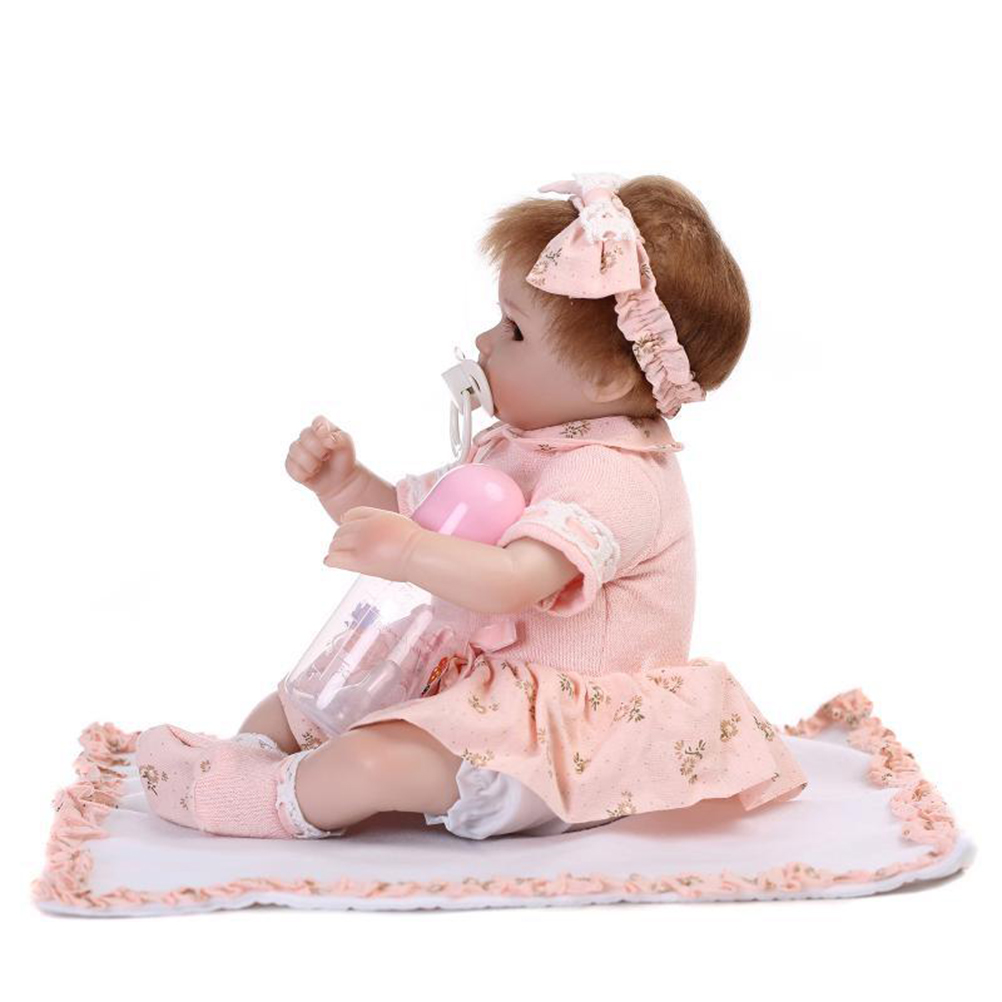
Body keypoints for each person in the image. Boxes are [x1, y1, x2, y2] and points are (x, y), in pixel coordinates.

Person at [136, 172, 808, 841]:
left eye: (513, 330)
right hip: (480, 691)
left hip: (558, 739)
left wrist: (408, 552)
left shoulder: (616, 476)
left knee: (370, 762)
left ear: (605, 378)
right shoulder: (519, 443)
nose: (485, 342)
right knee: (293, 706)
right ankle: (244, 759)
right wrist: (345, 486)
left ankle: (249, 802)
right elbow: (421, 524)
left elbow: (515, 579)